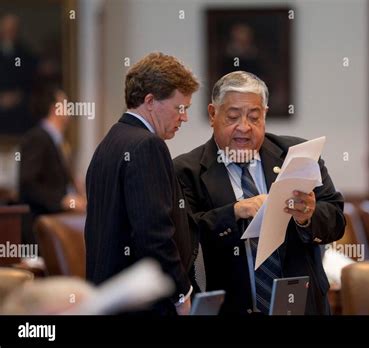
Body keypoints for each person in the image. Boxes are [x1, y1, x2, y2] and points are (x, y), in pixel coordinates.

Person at [174, 71, 346, 315]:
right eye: (233, 116)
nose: (244, 127)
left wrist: (308, 216)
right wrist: (234, 211)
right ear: (213, 114)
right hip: (230, 307)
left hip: (301, 305)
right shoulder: (186, 171)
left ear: (264, 114)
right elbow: (185, 237)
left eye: (254, 117)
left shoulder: (297, 156)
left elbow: (336, 223)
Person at [85, 52, 199, 315]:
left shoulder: (110, 142)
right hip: (143, 305)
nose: (184, 117)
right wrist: (181, 294)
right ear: (150, 101)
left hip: (110, 300)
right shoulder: (147, 146)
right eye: (179, 108)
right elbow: (154, 235)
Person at [19, 85, 86, 244]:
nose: (69, 107)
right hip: (41, 228)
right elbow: (28, 183)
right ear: (55, 108)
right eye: (65, 103)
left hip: (59, 222)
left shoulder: (58, 140)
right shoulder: (37, 138)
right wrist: (62, 200)